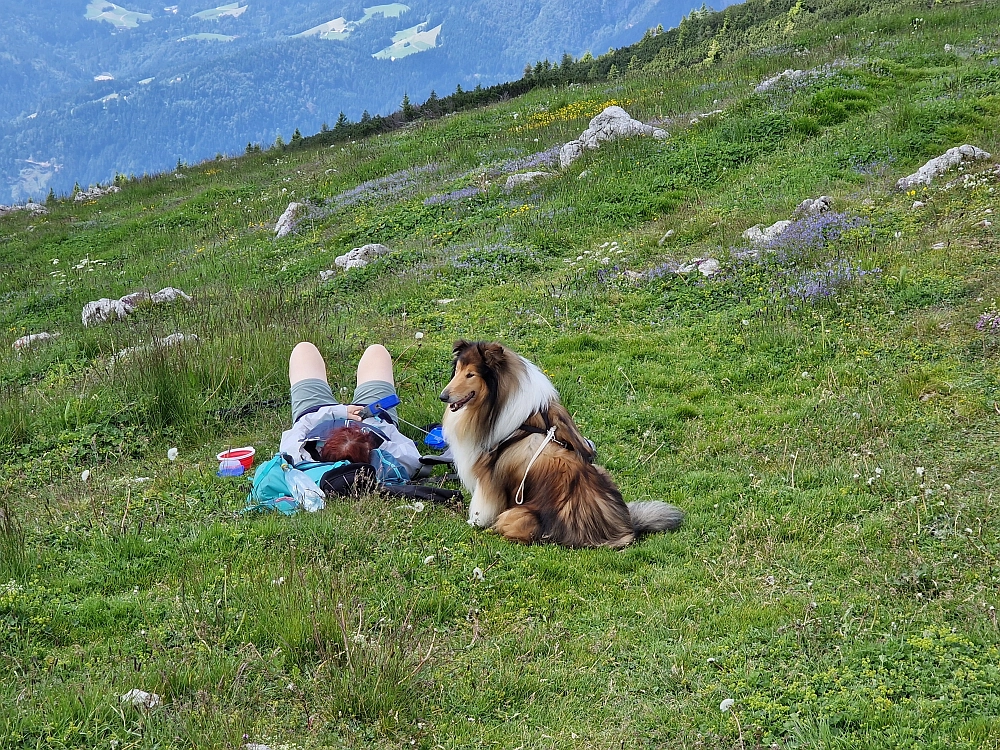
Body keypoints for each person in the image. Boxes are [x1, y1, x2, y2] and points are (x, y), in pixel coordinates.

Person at [278, 342, 421, 477]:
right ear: (370, 452)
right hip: (371, 415)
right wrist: (376, 431)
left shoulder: (299, 458)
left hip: (316, 412)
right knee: (377, 352)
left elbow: (302, 425)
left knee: (303, 349)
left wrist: (339, 412)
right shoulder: (391, 464)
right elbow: (412, 456)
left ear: (323, 448)